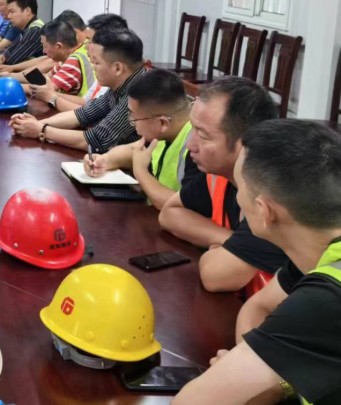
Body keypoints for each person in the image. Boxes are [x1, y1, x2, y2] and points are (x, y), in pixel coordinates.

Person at [173, 120, 341, 405]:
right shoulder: (319, 254)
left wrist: (260, 374)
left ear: (265, 211)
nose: (237, 196)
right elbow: (258, 306)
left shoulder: (325, 299)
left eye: (239, 188)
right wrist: (260, 365)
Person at [158, 77, 287, 294]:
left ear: (245, 143)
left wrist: (225, 249)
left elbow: (215, 277)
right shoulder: (218, 174)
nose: (190, 145)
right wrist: (227, 240)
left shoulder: (275, 196)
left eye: (203, 135)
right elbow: (169, 214)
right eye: (192, 130)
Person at [10, 28, 145, 152]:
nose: (93, 67)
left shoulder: (138, 93)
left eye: (96, 63)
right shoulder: (119, 85)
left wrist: (41, 130)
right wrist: (34, 124)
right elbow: (82, 114)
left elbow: (96, 140)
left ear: (117, 68)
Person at [85, 69, 193, 210]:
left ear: (162, 123)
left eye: (134, 117)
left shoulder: (196, 148)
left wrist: (140, 171)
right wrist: (104, 160)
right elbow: (133, 150)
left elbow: (180, 206)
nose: (131, 122)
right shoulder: (166, 131)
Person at [39, 13, 128, 113]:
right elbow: (85, 104)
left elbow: (89, 115)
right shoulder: (105, 80)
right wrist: (51, 95)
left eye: (90, 41)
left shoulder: (125, 92)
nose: (86, 47)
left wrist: (52, 98)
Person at [1, 10, 89, 83]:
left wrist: (13, 76)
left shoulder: (84, 51)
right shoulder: (74, 48)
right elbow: (46, 71)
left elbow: (47, 82)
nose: (44, 51)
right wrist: (12, 73)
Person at [0, 0, 45, 67]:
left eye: (12, 11)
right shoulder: (26, 28)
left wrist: (4, 57)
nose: (9, 16)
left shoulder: (34, 31)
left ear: (27, 11)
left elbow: (12, 60)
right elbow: (11, 47)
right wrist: (3, 55)